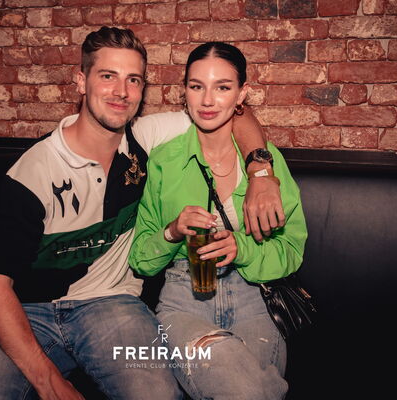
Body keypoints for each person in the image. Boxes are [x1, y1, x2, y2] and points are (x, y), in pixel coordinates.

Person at [0, 27, 284, 400]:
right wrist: (48, 380)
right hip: (29, 311)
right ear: (81, 81)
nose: (121, 91)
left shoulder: (143, 139)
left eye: (133, 80)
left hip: (111, 304)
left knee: (156, 395)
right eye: (108, 76)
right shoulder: (32, 173)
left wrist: (260, 172)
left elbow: (234, 111)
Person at [129, 42, 308, 400]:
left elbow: (291, 250)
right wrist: (172, 231)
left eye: (222, 87)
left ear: (241, 94)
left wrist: (242, 248)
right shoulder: (164, 160)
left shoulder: (267, 165)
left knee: (249, 389)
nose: (208, 100)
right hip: (183, 300)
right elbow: (140, 260)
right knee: (247, 386)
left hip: (253, 299)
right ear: (185, 92)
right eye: (197, 86)